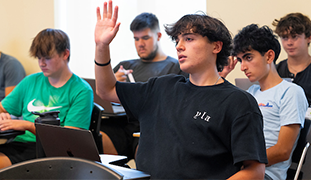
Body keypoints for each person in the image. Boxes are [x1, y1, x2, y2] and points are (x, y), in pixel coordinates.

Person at [94, 1, 267, 179]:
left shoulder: (238, 102)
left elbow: (255, 171)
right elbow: (106, 90)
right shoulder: (161, 87)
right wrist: (101, 46)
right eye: (177, 40)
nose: (179, 46)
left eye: (189, 39)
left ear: (216, 46)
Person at [0, 28, 94, 180]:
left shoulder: (81, 90)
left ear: (65, 54)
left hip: (56, 154)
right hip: (22, 146)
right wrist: (0, 118)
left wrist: (27, 125)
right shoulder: (30, 82)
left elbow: (68, 141)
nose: (41, 63)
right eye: (39, 58)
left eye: (47, 58)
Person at [101, 12, 187, 159]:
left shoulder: (176, 67)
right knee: (94, 134)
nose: (140, 44)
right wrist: (114, 83)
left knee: (147, 144)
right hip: (121, 124)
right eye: (136, 39)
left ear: (158, 36)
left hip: (151, 127)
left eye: (146, 38)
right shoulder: (125, 66)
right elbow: (103, 96)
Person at [232, 24, 308, 180]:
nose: (243, 67)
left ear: (269, 56)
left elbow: (282, 151)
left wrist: (242, 164)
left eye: (248, 57)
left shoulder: (291, 92)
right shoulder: (250, 93)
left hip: (266, 174)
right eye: (240, 60)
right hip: (239, 166)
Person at [272, 13, 311, 106]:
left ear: (309, 38)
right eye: (285, 37)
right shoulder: (275, 71)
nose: (289, 43)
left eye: (294, 37)